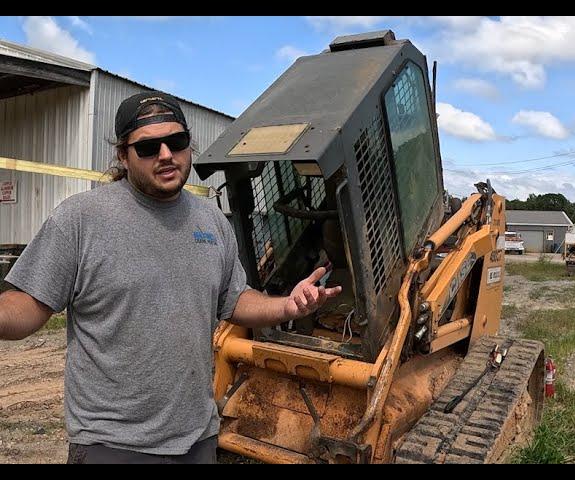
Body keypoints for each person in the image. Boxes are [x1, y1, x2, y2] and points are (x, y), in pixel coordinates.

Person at [0, 91, 341, 464]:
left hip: (197, 439)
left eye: (176, 142)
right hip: (112, 444)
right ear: (122, 156)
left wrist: (286, 305)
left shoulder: (211, 222)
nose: (165, 154)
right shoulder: (81, 220)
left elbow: (234, 299)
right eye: (147, 147)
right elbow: (28, 306)